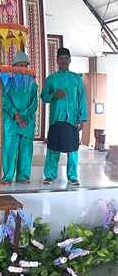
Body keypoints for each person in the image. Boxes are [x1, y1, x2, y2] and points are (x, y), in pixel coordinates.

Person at [41, 47, 87, 186]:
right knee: (53, 148)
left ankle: (73, 176)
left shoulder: (77, 79)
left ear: (70, 60)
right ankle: (49, 175)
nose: (64, 60)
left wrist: (81, 118)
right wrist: (54, 95)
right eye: (61, 58)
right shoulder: (51, 79)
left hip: (72, 119)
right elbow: (43, 96)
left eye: (66, 58)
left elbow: (82, 99)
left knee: (72, 149)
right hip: (56, 118)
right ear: (57, 60)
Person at [1, 51, 38, 186]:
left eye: (25, 65)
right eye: (20, 65)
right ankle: (7, 177)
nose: (23, 68)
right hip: (11, 122)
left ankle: (23, 175)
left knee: (25, 150)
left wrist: (23, 116)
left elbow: (34, 104)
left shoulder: (33, 86)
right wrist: (16, 115)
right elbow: (4, 101)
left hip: (27, 123)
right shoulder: (7, 84)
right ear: (14, 68)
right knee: (9, 150)